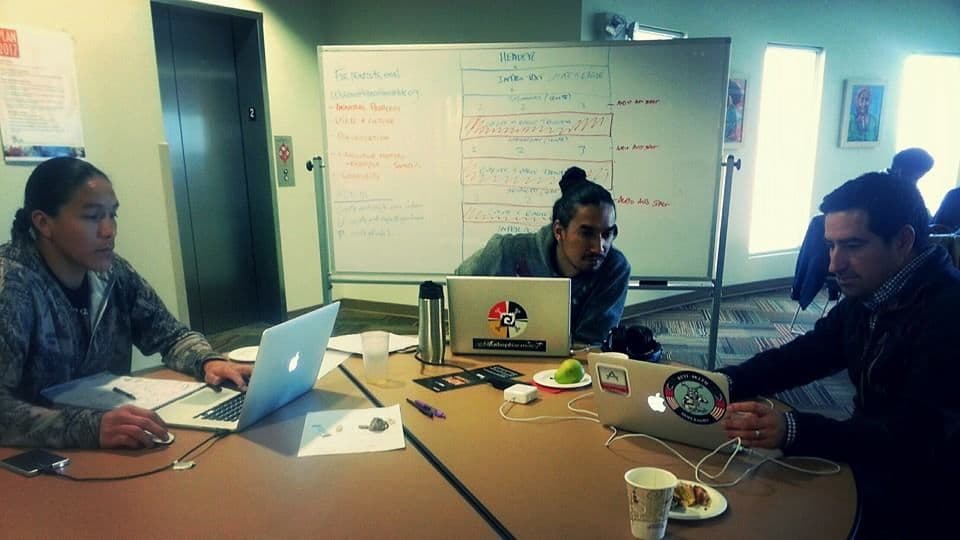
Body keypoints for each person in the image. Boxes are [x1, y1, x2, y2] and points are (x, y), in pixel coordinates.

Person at [719, 172, 960, 537]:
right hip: (872, 461)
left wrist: (796, 430)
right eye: (830, 246)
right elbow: (806, 355)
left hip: (926, 494)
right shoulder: (872, 294)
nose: (834, 264)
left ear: (903, 241)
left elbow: (914, 439)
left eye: (852, 245)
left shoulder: (948, 314)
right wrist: (726, 381)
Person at [0, 157, 251, 449]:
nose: (109, 231)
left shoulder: (113, 273)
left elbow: (171, 335)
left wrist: (208, 360)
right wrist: (90, 427)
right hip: (32, 464)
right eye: (93, 217)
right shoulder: (11, 285)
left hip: (113, 446)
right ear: (43, 223)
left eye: (113, 215)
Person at [455, 166, 630, 345]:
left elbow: (589, 346)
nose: (599, 248)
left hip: (568, 367)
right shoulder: (507, 251)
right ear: (559, 231)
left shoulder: (614, 268)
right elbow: (460, 288)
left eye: (607, 234)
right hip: (499, 355)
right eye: (586, 234)